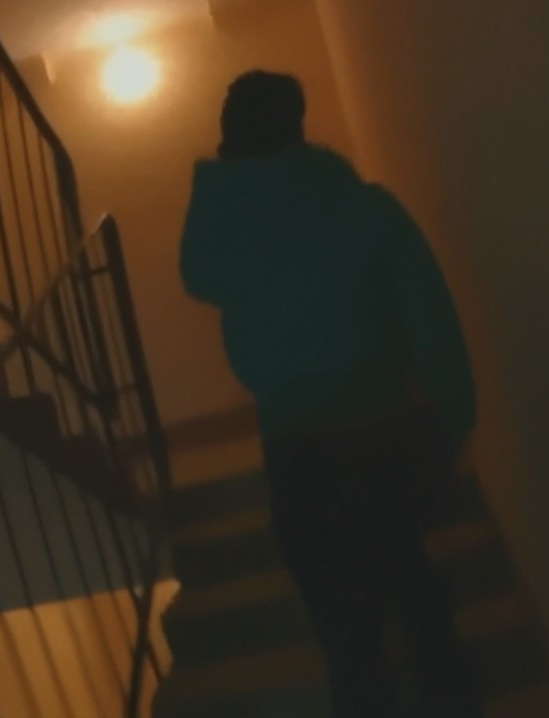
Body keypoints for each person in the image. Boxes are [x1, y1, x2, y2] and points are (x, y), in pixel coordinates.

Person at [179, 69, 482, 718]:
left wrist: (218, 177)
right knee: (416, 595)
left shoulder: (230, 231)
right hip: (383, 429)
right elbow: (432, 321)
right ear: (300, 127)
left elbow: (196, 275)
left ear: (231, 141)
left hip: (296, 450)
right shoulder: (366, 208)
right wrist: (452, 423)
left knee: (345, 633)